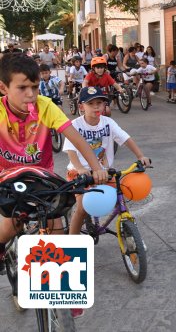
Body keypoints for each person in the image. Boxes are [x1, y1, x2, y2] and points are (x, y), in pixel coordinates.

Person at [0, 54, 108, 277]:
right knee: (10, 227)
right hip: (7, 179)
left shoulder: (45, 106)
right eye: (22, 88)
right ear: (3, 87)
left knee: (57, 237)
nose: (31, 94)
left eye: (35, 87)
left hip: (41, 178)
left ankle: (62, 304)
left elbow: (76, 137)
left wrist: (96, 167)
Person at [64, 86, 150, 236]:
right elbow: (71, 150)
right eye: (91, 104)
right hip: (79, 173)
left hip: (103, 172)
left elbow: (125, 138)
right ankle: (72, 244)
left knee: (120, 200)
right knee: (82, 209)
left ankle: (131, 235)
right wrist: (79, 168)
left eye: (100, 103)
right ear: (81, 107)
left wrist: (140, 156)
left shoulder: (108, 122)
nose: (96, 106)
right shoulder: (75, 125)